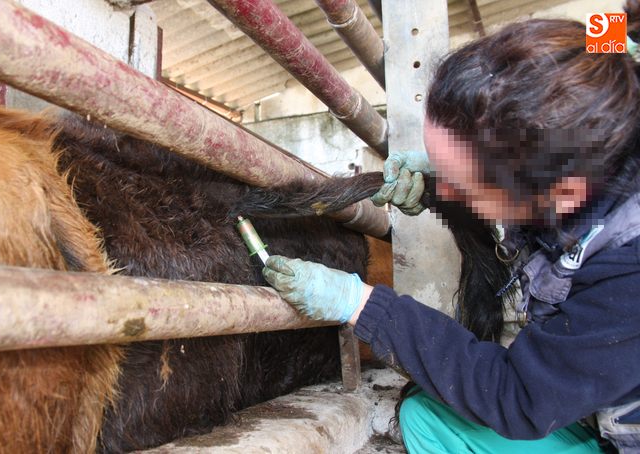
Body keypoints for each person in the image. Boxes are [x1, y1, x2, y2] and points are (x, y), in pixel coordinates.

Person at [262, 4, 640, 453]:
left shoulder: (628, 272)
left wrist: (360, 304)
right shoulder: (608, 65)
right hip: (604, 400)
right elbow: (603, 37)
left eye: (466, 185)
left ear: (563, 196)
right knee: (425, 412)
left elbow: (517, 398)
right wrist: (443, 177)